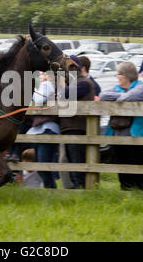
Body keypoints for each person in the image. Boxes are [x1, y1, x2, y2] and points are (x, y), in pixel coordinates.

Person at [100, 62, 143, 191]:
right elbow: (103, 96)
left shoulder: (142, 87)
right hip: (118, 134)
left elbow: (129, 97)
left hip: (140, 134)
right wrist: (121, 96)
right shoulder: (116, 88)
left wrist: (121, 97)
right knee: (122, 166)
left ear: (125, 76)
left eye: (118, 74)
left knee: (137, 166)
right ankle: (125, 193)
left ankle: (139, 193)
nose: (116, 77)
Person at [59, 55, 95, 189]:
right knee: (70, 161)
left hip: (77, 127)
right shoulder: (76, 82)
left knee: (76, 162)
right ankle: (77, 188)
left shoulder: (84, 83)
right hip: (70, 127)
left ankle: (80, 189)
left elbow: (64, 93)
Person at [26, 71, 60, 189]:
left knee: (42, 165)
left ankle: (51, 189)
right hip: (41, 128)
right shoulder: (45, 86)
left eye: (42, 74)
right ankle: (50, 189)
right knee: (42, 165)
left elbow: (39, 100)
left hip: (48, 128)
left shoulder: (47, 85)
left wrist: (33, 90)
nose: (40, 77)